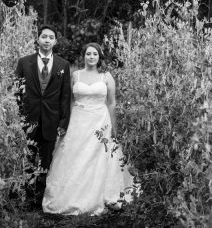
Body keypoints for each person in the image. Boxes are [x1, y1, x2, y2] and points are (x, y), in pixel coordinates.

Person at [42, 43, 140, 215]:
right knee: (76, 156)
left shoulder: (106, 76)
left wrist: (114, 127)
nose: (92, 57)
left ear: (99, 57)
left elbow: (112, 103)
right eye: (88, 54)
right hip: (78, 121)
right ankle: (72, 195)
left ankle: (102, 194)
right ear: (84, 56)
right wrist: (67, 123)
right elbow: (70, 101)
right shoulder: (75, 75)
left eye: (95, 54)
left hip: (100, 121)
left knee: (99, 156)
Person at [14, 25, 72, 208]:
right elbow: (16, 92)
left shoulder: (63, 65)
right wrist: (18, 117)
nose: (47, 40)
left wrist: (63, 122)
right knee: (28, 157)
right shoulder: (24, 62)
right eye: (44, 36)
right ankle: (27, 196)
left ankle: (41, 197)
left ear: (55, 41)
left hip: (51, 119)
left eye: (51, 37)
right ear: (38, 39)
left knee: (46, 159)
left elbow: (65, 96)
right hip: (28, 118)